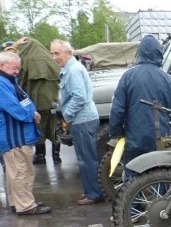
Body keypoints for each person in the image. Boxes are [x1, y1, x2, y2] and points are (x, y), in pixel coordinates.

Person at [109, 35, 171, 179]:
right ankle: (161, 200)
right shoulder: (169, 80)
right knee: (161, 175)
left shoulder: (127, 77)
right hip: (161, 140)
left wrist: (117, 132)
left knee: (131, 179)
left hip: (135, 139)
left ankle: (133, 202)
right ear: (159, 53)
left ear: (140, 53)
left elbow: (117, 110)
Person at [50, 39, 104, 205]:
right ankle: (91, 191)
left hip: (83, 120)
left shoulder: (73, 71)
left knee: (87, 159)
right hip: (83, 119)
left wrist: (66, 114)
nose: (54, 57)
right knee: (85, 158)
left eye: (57, 53)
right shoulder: (71, 68)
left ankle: (94, 194)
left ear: (69, 52)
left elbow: (79, 97)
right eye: (52, 53)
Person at [0, 51, 51, 215]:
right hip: (15, 136)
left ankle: (19, 202)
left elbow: (22, 101)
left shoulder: (8, 80)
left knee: (16, 172)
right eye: (14, 68)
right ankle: (26, 206)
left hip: (18, 135)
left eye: (18, 68)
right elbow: (14, 107)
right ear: (2, 65)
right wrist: (32, 115)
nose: (17, 71)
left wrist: (32, 111)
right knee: (22, 171)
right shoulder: (1, 83)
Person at [6, 38, 61, 165]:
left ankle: (40, 156)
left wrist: (16, 45)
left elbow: (18, 78)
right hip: (54, 100)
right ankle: (56, 157)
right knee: (54, 128)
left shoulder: (25, 60)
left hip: (37, 102)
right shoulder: (51, 59)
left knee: (39, 128)